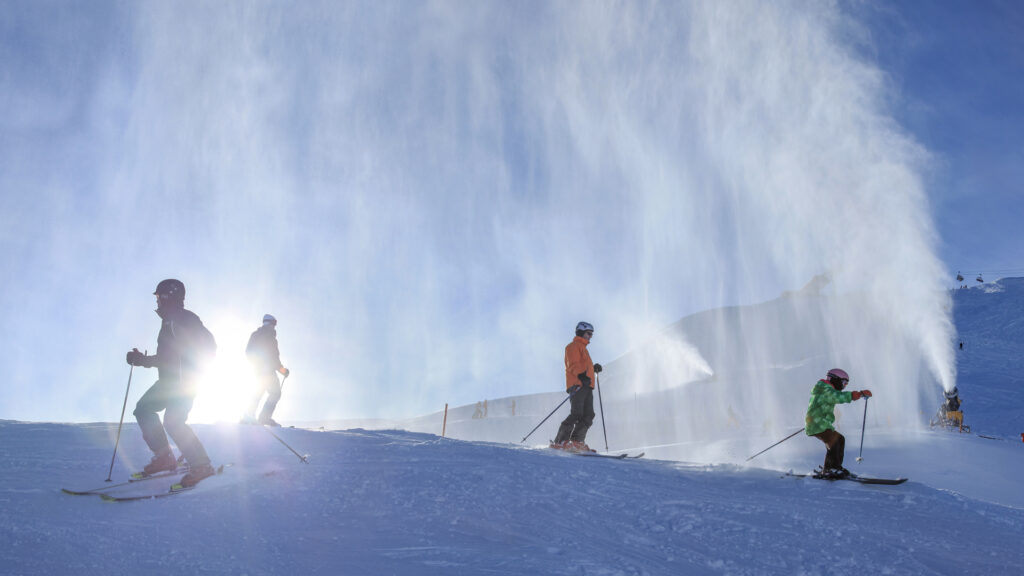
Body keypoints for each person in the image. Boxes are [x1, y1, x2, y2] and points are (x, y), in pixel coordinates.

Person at [126, 279, 217, 487]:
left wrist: (142, 361)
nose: (157, 301)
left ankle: (201, 465)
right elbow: (168, 356)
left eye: (159, 297)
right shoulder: (170, 321)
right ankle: (164, 457)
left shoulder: (181, 319)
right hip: (170, 381)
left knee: (173, 421)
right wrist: (143, 360)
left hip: (183, 382)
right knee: (143, 409)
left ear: (169, 296)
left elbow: (174, 355)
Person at [804, 368, 871, 478]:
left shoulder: (824, 389)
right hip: (817, 424)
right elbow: (838, 397)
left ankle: (833, 467)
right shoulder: (825, 390)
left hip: (819, 423)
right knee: (834, 441)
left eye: (846, 384)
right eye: (844, 383)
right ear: (835, 380)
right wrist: (857, 394)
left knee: (838, 439)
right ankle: (831, 468)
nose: (844, 386)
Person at [551, 321, 603, 452]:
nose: (590, 336)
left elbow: (584, 366)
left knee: (589, 415)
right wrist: (581, 375)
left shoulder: (584, 349)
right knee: (577, 413)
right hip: (578, 384)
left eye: (591, 334)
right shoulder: (573, 346)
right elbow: (573, 364)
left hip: (587, 386)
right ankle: (561, 441)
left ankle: (576, 441)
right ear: (581, 332)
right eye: (588, 333)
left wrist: (593, 368)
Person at [243, 314, 290, 426]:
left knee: (258, 392)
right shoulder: (270, 337)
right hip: (268, 372)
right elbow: (274, 357)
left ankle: (248, 416)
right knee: (275, 393)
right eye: (274, 324)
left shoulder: (255, 335)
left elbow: (248, 352)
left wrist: (256, 364)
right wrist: (282, 370)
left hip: (258, 370)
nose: (274, 327)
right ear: (270, 323)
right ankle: (263, 418)